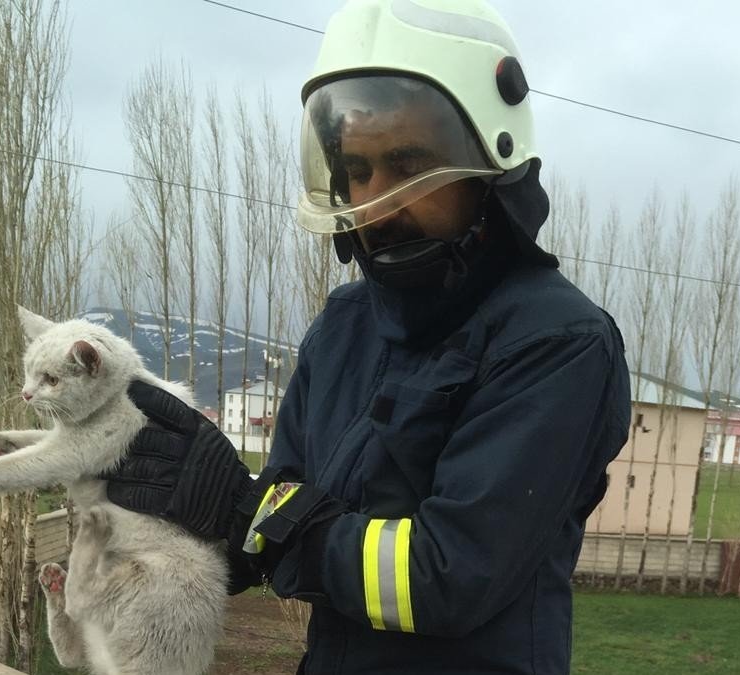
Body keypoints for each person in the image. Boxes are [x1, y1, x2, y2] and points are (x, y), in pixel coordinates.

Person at [105, 1, 632, 672]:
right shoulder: (342, 329)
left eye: (408, 165)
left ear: (490, 163)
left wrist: (250, 512)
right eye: (357, 169)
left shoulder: (558, 342)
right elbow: (280, 520)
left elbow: (448, 575)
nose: (375, 201)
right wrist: (186, 519)